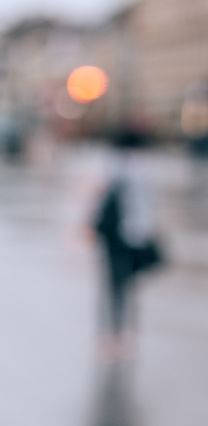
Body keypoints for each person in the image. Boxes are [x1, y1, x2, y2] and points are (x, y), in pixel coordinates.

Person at [91, 129, 164, 360]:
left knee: (114, 286)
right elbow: (146, 207)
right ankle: (124, 331)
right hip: (134, 235)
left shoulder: (119, 169)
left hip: (116, 236)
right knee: (127, 286)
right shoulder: (143, 170)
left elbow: (104, 200)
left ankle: (114, 333)